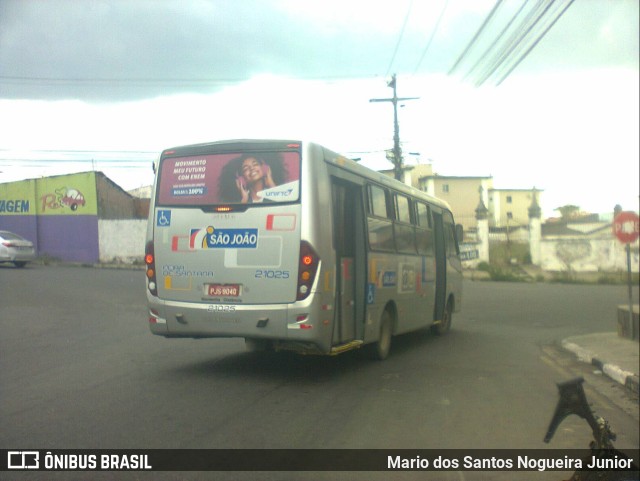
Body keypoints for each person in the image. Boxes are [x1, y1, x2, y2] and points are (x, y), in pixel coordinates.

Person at [218, 153, 287, 203]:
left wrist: (271, 184)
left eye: (255, 164)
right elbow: (236, 220)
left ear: (263, 168)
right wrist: (244, 199)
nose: (251, 168)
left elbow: (286, 209)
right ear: (241, 178)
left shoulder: (273, 193)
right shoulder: (243, 200)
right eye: (246, 168)